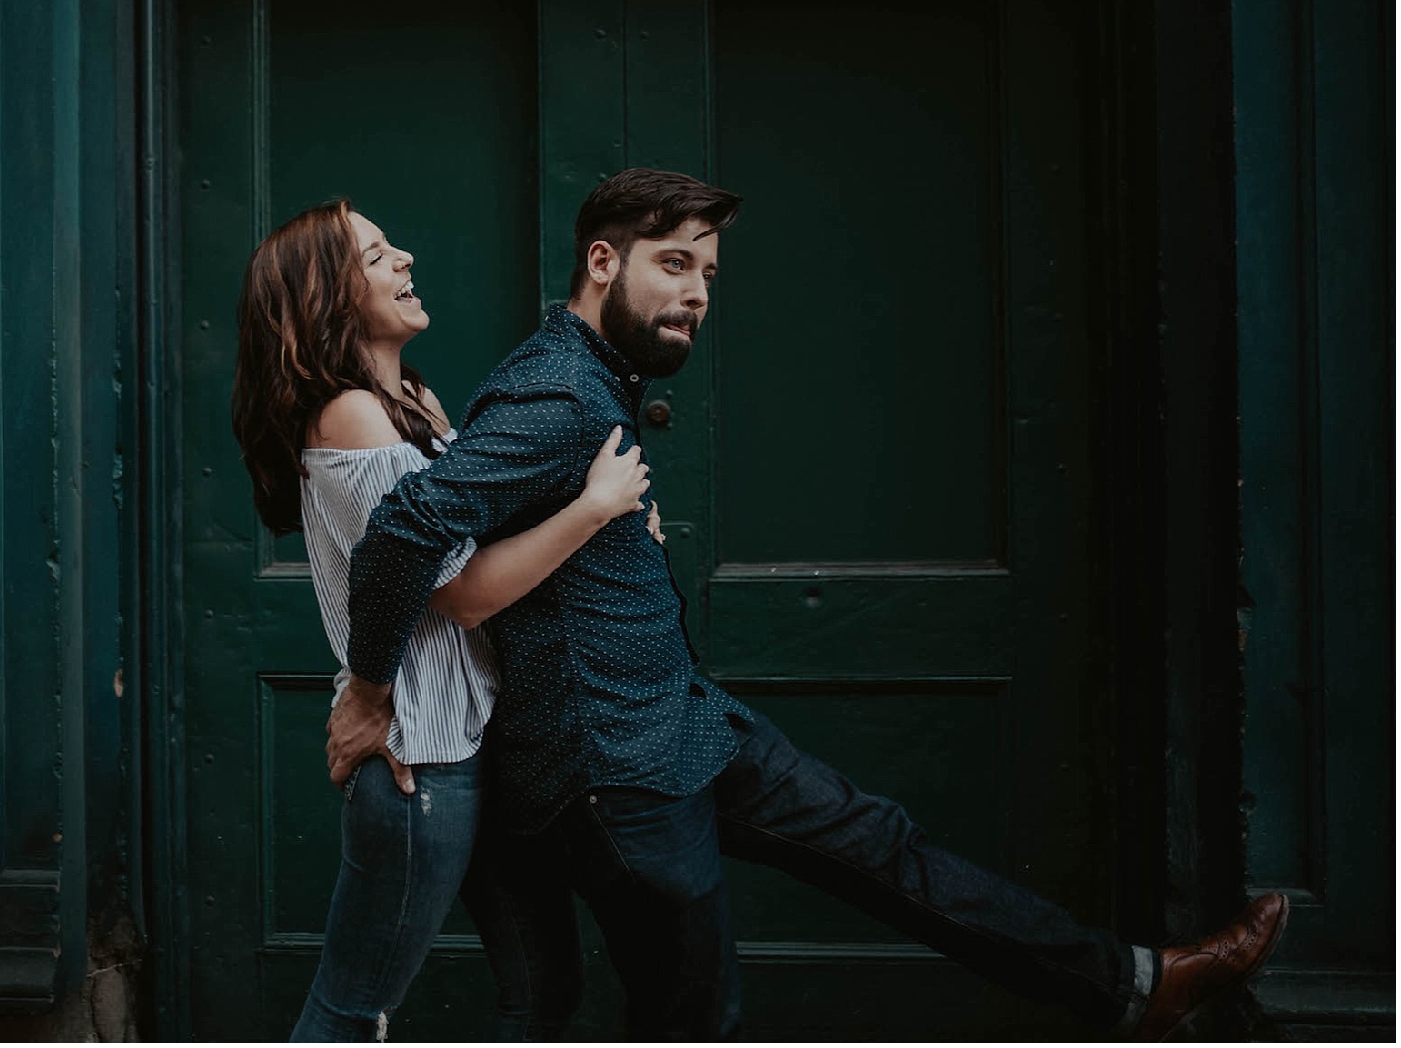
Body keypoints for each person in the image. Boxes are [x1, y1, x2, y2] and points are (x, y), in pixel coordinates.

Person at [326, 167, 1288, 1042]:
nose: (697, 294)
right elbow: (406, 532)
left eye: (707, 273)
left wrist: (612, 531)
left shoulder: (588, 381)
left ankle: (1135, 984)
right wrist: (371, 689)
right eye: (673, 265)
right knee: (696, 1016)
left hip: (685, 724)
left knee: (886, 850)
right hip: (618, 772)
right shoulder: (556, 397)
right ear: (602, 260)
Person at [231, 198, 660, 1041]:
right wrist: (592, 511)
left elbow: (489, 536)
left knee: (544, 989)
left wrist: (601, 517)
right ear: (323, 295)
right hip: (422, 765)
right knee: (354, 1010)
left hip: (479, 743)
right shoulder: (348, 414)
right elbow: (458, 592)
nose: (406, 260)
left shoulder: (414, 399)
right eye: (377, 255)